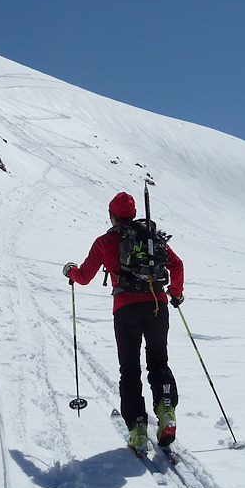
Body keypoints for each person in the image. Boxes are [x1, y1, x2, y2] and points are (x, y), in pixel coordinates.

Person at [63, 191, 185, 454]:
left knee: (129, 370)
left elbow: (84, 276)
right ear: (132, 214)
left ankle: (138, 429)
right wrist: (175, 293)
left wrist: (70, 271)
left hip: (126, 310)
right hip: (158, 306)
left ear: (112, 215)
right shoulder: (152, 238)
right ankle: (166, 410)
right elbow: (176, 265)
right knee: (158, 362)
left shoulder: (104, 242)